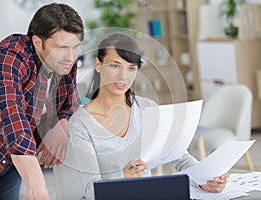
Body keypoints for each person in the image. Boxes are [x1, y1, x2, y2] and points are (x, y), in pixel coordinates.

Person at [64, 33, 229, 199]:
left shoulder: (147, 108)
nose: (123, 76)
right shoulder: (81, 123)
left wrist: (205, 179)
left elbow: (179, 156)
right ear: (98, 65)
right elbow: (90, 190)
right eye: (115, 66)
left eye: (131, 68)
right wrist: (123, 179)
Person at [0, 3, 83, 199]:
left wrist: (63, 125)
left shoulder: (65, 61)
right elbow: (12, 117)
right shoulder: (9, 57)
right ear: (37, 42)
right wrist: (37, 184)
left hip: (13, 159)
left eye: (76, 47)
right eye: (62, 48)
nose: (71, 56)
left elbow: (70, 102)